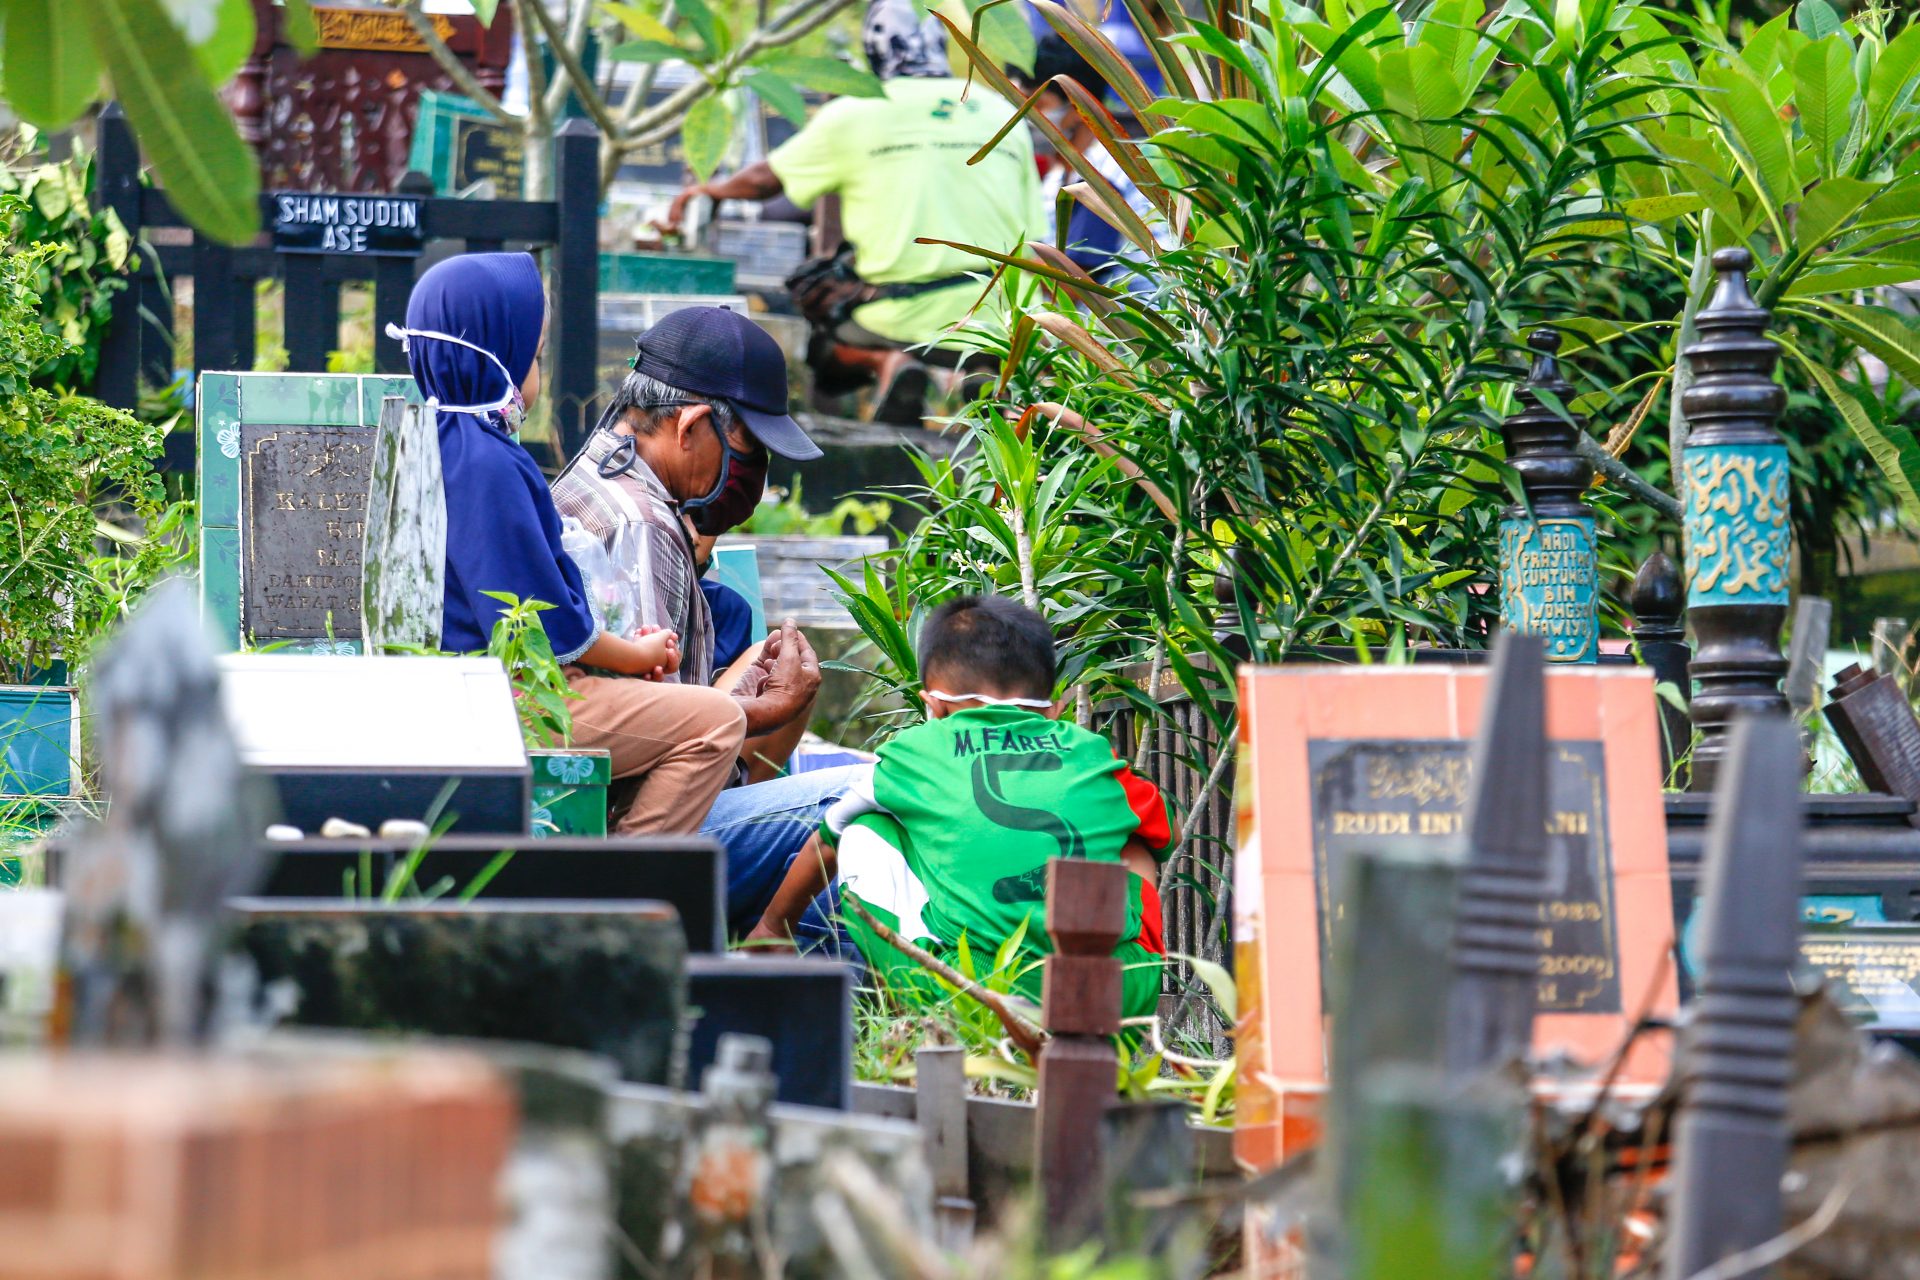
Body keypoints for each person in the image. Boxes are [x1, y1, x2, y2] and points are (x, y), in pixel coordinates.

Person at [396, 252, 746, 834]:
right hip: (507, 698)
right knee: (716, 722)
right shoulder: (491, 464)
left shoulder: (419, 440)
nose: (537, 372)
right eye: (532, 358)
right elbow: (539, 628)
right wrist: (637, 654)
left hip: (445, 686)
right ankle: (619, 884)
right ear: (496, 359)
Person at [549, 305, 868, 931]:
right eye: (750, 447)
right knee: (864, 800)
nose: (759, 477)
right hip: (631, 834)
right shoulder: (644, 527)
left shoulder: (598, 475)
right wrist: (764, 711)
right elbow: (654, 744)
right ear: (692, 424)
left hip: (636, 800)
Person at [748, 595, 1171, 1019]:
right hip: (1115, 994)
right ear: (1056, 709)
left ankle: (918, 1014)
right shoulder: (1093, 753)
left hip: (971, 993)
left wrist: (772, 927)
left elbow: (825, 841)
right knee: (1135, 843)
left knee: (861, 828)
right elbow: (1166, 829)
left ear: (932, 705)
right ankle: (1125, 994)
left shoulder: (915, 753)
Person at [657, 0, 1045, 424]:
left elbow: (768, 180)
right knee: (976, 324)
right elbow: (1039, 237)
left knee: (826, 341)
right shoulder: (1001, 111)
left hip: (901, 317)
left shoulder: (856, 111)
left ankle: (888, 365)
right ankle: (984, 376)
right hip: (1007, 318)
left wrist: (710, 189)